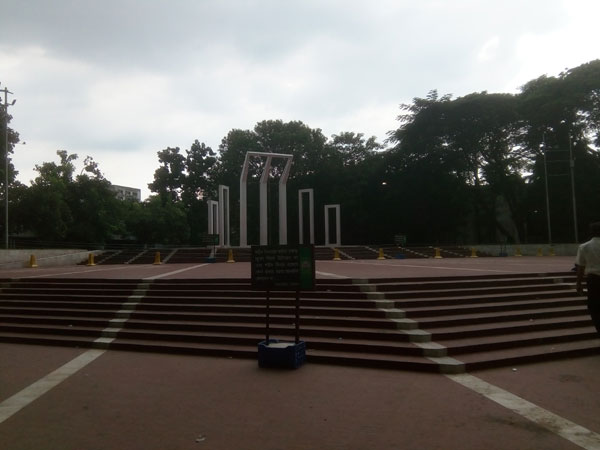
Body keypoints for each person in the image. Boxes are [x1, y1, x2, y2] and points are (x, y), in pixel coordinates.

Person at [575, 221, 600, 336]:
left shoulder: (584, 246)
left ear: (591, 232)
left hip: (593, 280)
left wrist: (578, 283)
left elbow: (580, 267)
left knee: (594, 307)